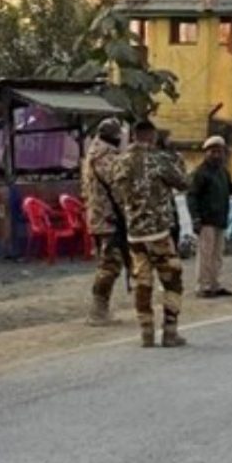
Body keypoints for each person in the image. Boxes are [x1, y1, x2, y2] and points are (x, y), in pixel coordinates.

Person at [112, 120, 191, 348]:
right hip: (159, 232)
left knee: (142, 283)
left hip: (134, 234)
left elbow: (117, 195)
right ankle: (170, 331)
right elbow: (183, 182)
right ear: (152, 135)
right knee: (172, 281)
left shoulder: (120, 162)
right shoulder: (159, 159)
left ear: (134, 135)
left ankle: (146, 333)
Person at [186, 136, 232, 298]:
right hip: (206, 220)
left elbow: (227, 189)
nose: (217, 155)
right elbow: (191, 196)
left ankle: (215, 284)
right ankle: (203, 286)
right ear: (206, 153)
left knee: (217, 255)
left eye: (220, 152)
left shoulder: (222, 171)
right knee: (206, 254)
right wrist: (195, 218)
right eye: (213, 152)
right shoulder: (200, 173)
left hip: (220, 219)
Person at [81, 117, 130, 326]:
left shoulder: (92, 155)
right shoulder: (106, 157)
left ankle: (101, 308)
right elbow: (118, 187)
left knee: (108, 263)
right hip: (109, 218)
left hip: (99, 216)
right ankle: (98, 310)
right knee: (110, 264)